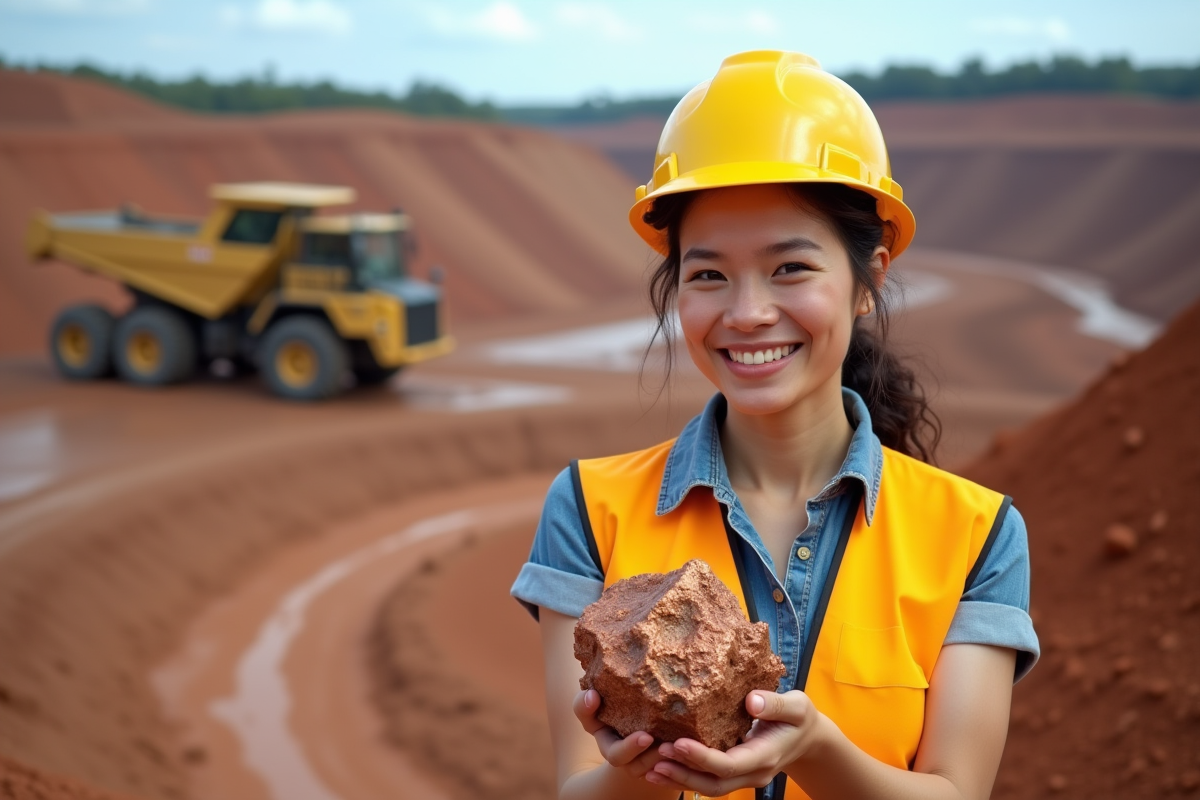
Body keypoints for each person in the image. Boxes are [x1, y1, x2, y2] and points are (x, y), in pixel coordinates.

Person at [511, 50, 1039, 800]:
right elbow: (578, 790)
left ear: (869, 279)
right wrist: (643, 773)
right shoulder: (588, 510)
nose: (747, 311)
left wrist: (817, 752)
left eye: (790, 268)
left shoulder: (976, 535)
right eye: (708, 274)